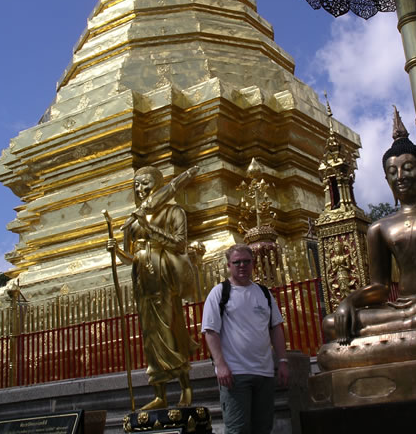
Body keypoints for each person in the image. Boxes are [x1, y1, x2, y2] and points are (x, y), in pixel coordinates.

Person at [323, 108, 416, 345]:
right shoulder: (380, 228)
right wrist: (348, 302)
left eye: (409, 168)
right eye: (393, 172)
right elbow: (380, 287)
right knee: (332, 324)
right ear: (387, 180)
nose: (400, 176)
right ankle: (413, 325)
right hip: (403, 307)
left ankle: (411, 327)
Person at [107, 164, 199, 410]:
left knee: (170, 330)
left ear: (158, 183)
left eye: (145, 182)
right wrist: (114, 250)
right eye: (136, 184)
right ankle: (159, 393)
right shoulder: (133, 218)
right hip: (141, 279)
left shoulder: (173, 211)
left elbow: (180, 244)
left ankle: (186, 387)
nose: (140, 188)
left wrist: (151, 230)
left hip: (164, 275)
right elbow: (130, 256)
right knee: (149, 337)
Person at [201, 244, 289, 434]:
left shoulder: (263, 293)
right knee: (238, 429)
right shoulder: (219, 293)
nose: (242, 265)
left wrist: (282, 361)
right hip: (235, 373)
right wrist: (220, 364)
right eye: (237, 262)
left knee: (263, 428)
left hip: (264, 372)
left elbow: (276, 328)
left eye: (246, 261)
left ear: (253, 264)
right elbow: (210, 331)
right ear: (228, 265)